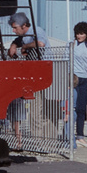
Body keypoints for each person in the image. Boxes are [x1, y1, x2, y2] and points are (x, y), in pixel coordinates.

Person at [7, 12, 55, 140]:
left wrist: (25, 47)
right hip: (36, 73)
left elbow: (40, 44)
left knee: (42, 109)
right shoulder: (24, 35)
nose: (13, 30)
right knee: (37, 110)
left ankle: (43, 140)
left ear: (24, 26)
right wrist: (13, 44)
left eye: (15, 28)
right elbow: (19, 39)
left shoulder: (36, 30)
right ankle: (40, 140)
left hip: (44, 72)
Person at [71, 22, 87, 148]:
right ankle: (69, 135)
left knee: (81, 108)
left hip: (85, 79)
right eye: (77, 33)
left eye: (81, 33)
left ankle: (80, 136)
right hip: (73, 78)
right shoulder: (72, 44)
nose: (79, 36)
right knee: (71, 107)